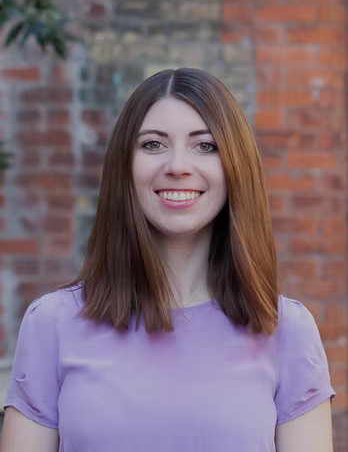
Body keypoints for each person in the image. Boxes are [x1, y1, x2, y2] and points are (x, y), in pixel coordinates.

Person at [1, 68, 335, 452]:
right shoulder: (51, 325)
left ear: (235, 168)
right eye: (154, 145)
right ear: (124, 167)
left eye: (205, 145)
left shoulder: (287, 331)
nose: (178, 166)